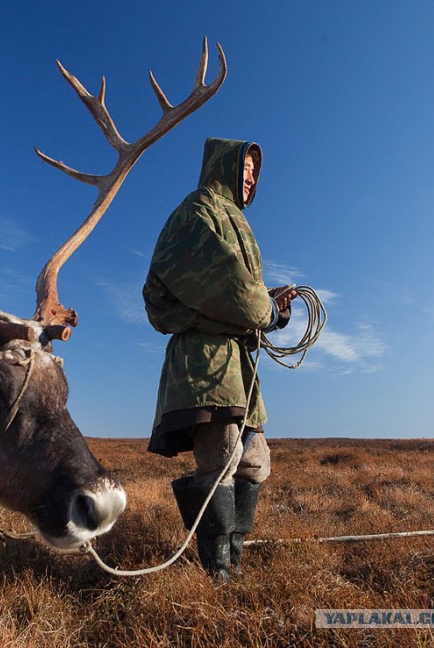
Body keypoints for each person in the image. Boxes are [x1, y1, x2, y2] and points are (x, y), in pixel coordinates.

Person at [142, 137, 297, 582]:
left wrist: (272, 309)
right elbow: (225, 284)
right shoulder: (198, 212)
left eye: (254, 172)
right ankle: (219, 575)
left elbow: (236, 295)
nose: (250, 178)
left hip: (237, 364)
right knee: (221, 460)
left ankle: (234, 556)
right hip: (206, 364)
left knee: (253, 462)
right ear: (222, 166)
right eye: (243, 168)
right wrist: (264, 310)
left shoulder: (233, 219)